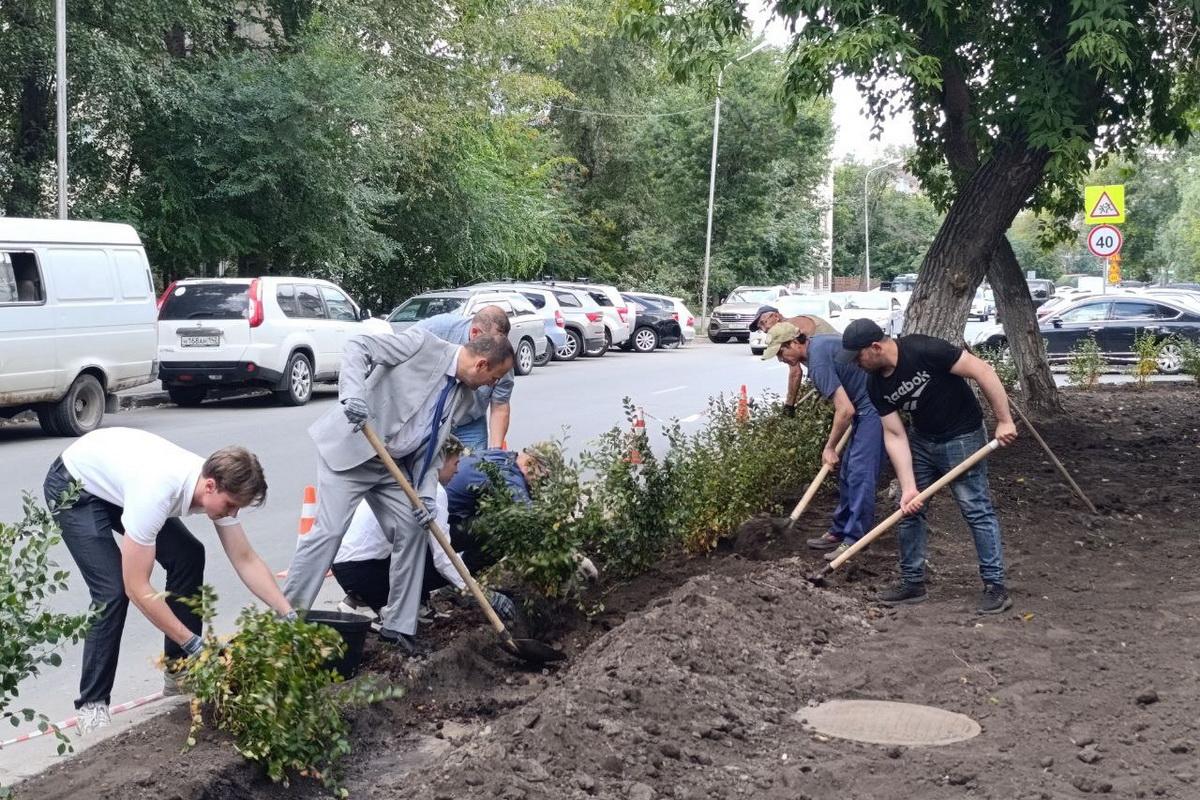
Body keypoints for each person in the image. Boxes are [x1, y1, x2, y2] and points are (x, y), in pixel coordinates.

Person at [42, 428, 293, 735]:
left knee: (188, 554)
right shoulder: (156, 492)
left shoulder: (219, 484)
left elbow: (245, 559)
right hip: (75, 486)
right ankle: (92, 705)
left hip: (118, 478)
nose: (233, 513)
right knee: (112, 590)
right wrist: (192, 641)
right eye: (230, 505)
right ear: (211, 485)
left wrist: (288, 613)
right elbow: (137, 587)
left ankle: (179, 673)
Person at [283, 327, 514, 654]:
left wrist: (428, 498)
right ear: (482, 365)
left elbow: (432, 453)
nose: (492, 385)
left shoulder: (461, 395)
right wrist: (352, 395)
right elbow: (358, 345)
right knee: (329, 532)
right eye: (495, 377)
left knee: (413, 527)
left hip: (390, 466)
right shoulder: (422, 344)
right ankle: (286, 623)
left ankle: (399, 628)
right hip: (353, 450)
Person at [837, 318, 1018, 614]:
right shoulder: (875, 384)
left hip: (963, 437)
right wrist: (909, 487)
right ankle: (912, 582)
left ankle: (995, 585)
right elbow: (895, 434)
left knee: (976, 509)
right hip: (922, 441)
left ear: (875, 347)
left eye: (858, 356)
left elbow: (982, 370)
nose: (856, 363)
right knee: (908, 509)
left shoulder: (923, 349)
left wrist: (1004, 420)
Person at [761, 322, 886, 562]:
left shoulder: (817, 361)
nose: (781, 359)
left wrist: (829, 447)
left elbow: (844, 410)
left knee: (860, 473)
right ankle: (839, 530)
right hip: (863, 406)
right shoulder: (818, 346)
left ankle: (854, 540)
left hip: (873, 406)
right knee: (847, 472)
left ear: (795, 343)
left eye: (781, 352)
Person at [416, 306, 514, 450]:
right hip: (426, 421)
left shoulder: (501, 358)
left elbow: (499, 406)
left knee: (476, 468)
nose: (497, 350)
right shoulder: (437, 329)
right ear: (475, 333)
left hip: (468, 424)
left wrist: (495, 452)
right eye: (491, 344)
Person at [749, 305, 838, 416]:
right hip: (837, 369)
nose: (764, 329)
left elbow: (795, 372)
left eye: (763, 323)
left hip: (846, 368)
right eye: (759, 328)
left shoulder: (790, 330)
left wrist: (789, 405)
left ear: (776, 316)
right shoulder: (788, 329)